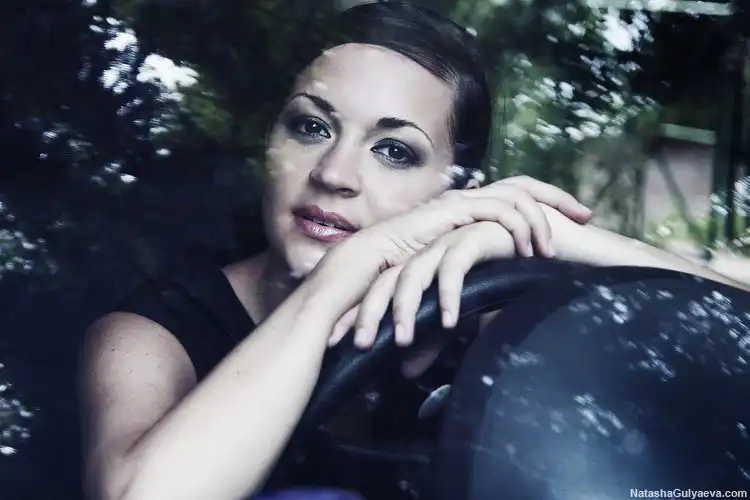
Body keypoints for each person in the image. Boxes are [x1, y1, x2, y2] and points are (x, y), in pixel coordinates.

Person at [77, 3, 748, 500]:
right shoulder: (152, 336)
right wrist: (336, 284)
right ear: (270, 147)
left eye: (394, 151)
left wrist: (555, 234)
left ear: (454, 195)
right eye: (311, 127)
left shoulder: (484, 312)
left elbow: (730, 339)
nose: (335, 173)